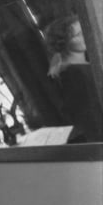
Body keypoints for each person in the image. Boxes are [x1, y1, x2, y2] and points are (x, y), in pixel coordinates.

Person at [43, 14, 103, 143]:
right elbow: (91, 120)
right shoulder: (74, 74)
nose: (85, 36)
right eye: (78, 35)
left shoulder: (78, 66)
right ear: (63, 42)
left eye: (84, 31)